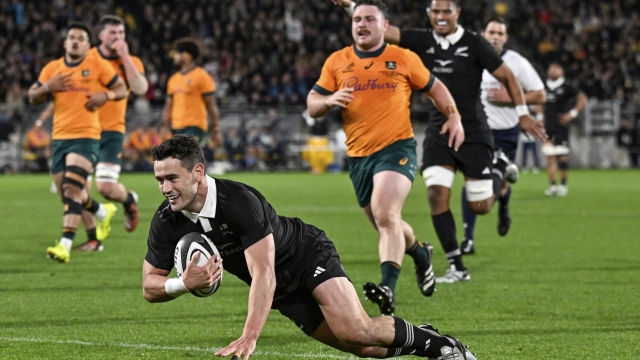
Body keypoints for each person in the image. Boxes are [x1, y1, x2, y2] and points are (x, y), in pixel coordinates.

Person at [142, 134, 476, 360]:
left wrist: (250, 335)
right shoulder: (167, 219)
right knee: (363, 348)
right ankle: (419, 335)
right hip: (283, 292)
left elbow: (263, 272)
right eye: (159, 180)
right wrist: (183, 283)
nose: (165, 188)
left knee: (356, 330)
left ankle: (443, 346)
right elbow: (149, 286)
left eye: (172, 178)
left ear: (197, 172)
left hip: (306, 254)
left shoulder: (239, 201)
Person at [333, 0, 547, 283]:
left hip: (473, 131)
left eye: (447, 11)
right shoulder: (421, 40)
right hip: (439, 131)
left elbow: (507, 76)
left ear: (457, 14)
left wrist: (522, 114)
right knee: (436, 194)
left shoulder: (475, 43)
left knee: (480, 206)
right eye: (435, 11)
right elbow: (384, 29)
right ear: (429, 14)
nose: (441, 16)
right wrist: (353, 8)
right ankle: (456, 265)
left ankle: (497, 166)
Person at [308, 0, 463, 315]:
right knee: (386, 223)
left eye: (369, 19)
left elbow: (436, 88)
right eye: (357, 19)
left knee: (385, 212)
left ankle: (387, 288)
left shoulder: (402, 58)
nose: (362, 24)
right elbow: (312, 104)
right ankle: (421, 254)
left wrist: (454, 115)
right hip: (359, 157)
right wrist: (329, 100)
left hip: (397, 148)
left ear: (384, 25)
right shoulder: (338, 61)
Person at [27, 22, 127, 263]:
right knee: (68, 195)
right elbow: (32, 97)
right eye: (71, 37)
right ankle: (103, 211)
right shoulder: (53, 68)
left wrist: (106, 95)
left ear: (87, 44)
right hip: (60, 138)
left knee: (72, 189)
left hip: (87, 137)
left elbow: (122, 88)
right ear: (64, 42)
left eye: (80, 38)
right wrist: (47, 88)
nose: (75, 41)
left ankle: (64, 245)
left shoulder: (97, 65)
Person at [458, 18, 547, 255]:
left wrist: (511, 99)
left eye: (500, 33)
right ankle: (467, 238)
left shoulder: (516, 63)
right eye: (491, 32)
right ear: (483, 34)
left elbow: (540, 95)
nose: (495, 36)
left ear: (506, 38)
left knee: (496, 186)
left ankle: (504, 202)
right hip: (476, 132)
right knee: (471, 183)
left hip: (505, 134)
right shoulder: (471, 57)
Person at [73, 15, 149, 252]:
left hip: (112, 132)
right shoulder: (88, 58)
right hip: (84, 130)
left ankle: (128, 201)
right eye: (113, 33)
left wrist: (125, 56)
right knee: (79, 186)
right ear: (101, 36)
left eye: (122, 34)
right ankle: (94, 239)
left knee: (105, 189)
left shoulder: (131, 60)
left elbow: (140, 89)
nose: (118, 38)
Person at [162, 38, 222, 148]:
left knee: (186, 158)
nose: (174, 56)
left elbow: (211, 105)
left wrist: (216, 129)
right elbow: (168, 105)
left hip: (195, 126)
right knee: (181, 162)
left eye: (177, 53)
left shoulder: (202, 76)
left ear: (187, 56)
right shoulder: (173, 79)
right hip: (176, 127)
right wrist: (164, 126)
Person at [539, 62, 587, 197]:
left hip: (561, 126)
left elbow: (583, 99)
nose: (552, 71)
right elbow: (538, 102)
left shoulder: (567, 86)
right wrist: (539, 117)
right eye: (550, 69)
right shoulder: (543, 85)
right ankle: (553, 186)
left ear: (561, 71)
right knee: (549, 157)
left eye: (555, 69)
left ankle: (563, 185)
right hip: (547, 126)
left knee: (562, 157)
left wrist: (571, 114)